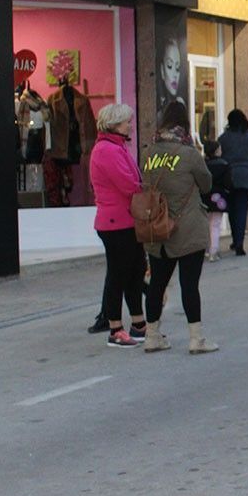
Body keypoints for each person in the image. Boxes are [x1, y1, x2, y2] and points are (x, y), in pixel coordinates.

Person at [141, 100, 217, 355]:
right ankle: (196, 339)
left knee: (157, 284)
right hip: (187, 228)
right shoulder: (189, 154)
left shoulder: (148, 153)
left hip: (157, 228)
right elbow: (206, 184)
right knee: (189, 285)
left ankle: (152, 336)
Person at [89, 103, 147, 348]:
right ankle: (115, 329)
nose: (130, 125)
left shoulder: (116, 147)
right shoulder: (107, 150)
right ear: (114, 124)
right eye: (126, 121)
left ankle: (138, 324)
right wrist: (145, 189)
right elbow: (128, 184)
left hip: (125, 220)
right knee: (119, 275)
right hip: (115, 222)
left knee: (135, 272)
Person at [217, 109, 248, 256]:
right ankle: (239, 242)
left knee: (232, 210)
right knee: (242, 210)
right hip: (247, 177)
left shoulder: (223, 138)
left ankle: (236, 240)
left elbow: (219, 156)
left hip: (229, 177)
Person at [202, 140, 231, 263]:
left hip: (205, 197)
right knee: (216, 224)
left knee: (206, 224)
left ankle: (207, 249)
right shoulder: (224, 164)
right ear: (216, 151)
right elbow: (228, 183)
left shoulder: (203, 164)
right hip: (219, 198)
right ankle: (213, 251)